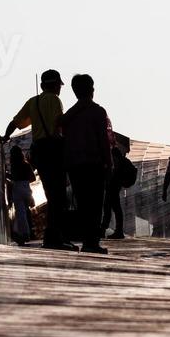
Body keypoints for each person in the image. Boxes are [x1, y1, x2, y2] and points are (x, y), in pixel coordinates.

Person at [5, 70, 73, 250]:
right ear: (55, 85)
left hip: (40, 152)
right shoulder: (55, 100)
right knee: (58, 196)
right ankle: (54, 237)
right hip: (54, 150)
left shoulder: (33, 102)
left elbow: (16, 122)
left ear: (42, 85)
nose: (59, 89)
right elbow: (60, 125)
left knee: (51, 193)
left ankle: (54, 236)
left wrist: (5, 135)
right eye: (59, 85)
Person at [62, 74, 113, 254]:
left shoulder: (68, 115)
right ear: (91, 89)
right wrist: (109, 164)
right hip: (94, 164)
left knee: (82, 203)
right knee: (95, 203)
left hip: (74, 165)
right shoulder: (98, 111)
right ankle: (93, 241)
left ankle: (87, 239)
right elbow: (104, 141)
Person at [102, 136, 135, 240]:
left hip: (113, 184)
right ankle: (115, 230)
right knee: (114, 207)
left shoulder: (114, 156)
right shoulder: (119, 156)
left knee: (110, 207)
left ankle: (108, 229)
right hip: (116, 184)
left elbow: (113, 171)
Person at [6, 145, 35, 245]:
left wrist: (6, 175)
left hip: (17, 189)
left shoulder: (14, 166)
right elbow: (33, 178)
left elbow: (14, 178)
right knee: (24, 212)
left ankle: (23, 234)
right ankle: (25, 233)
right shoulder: (26, 165)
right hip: (26, 189)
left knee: (20, 213)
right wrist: (25, 179)